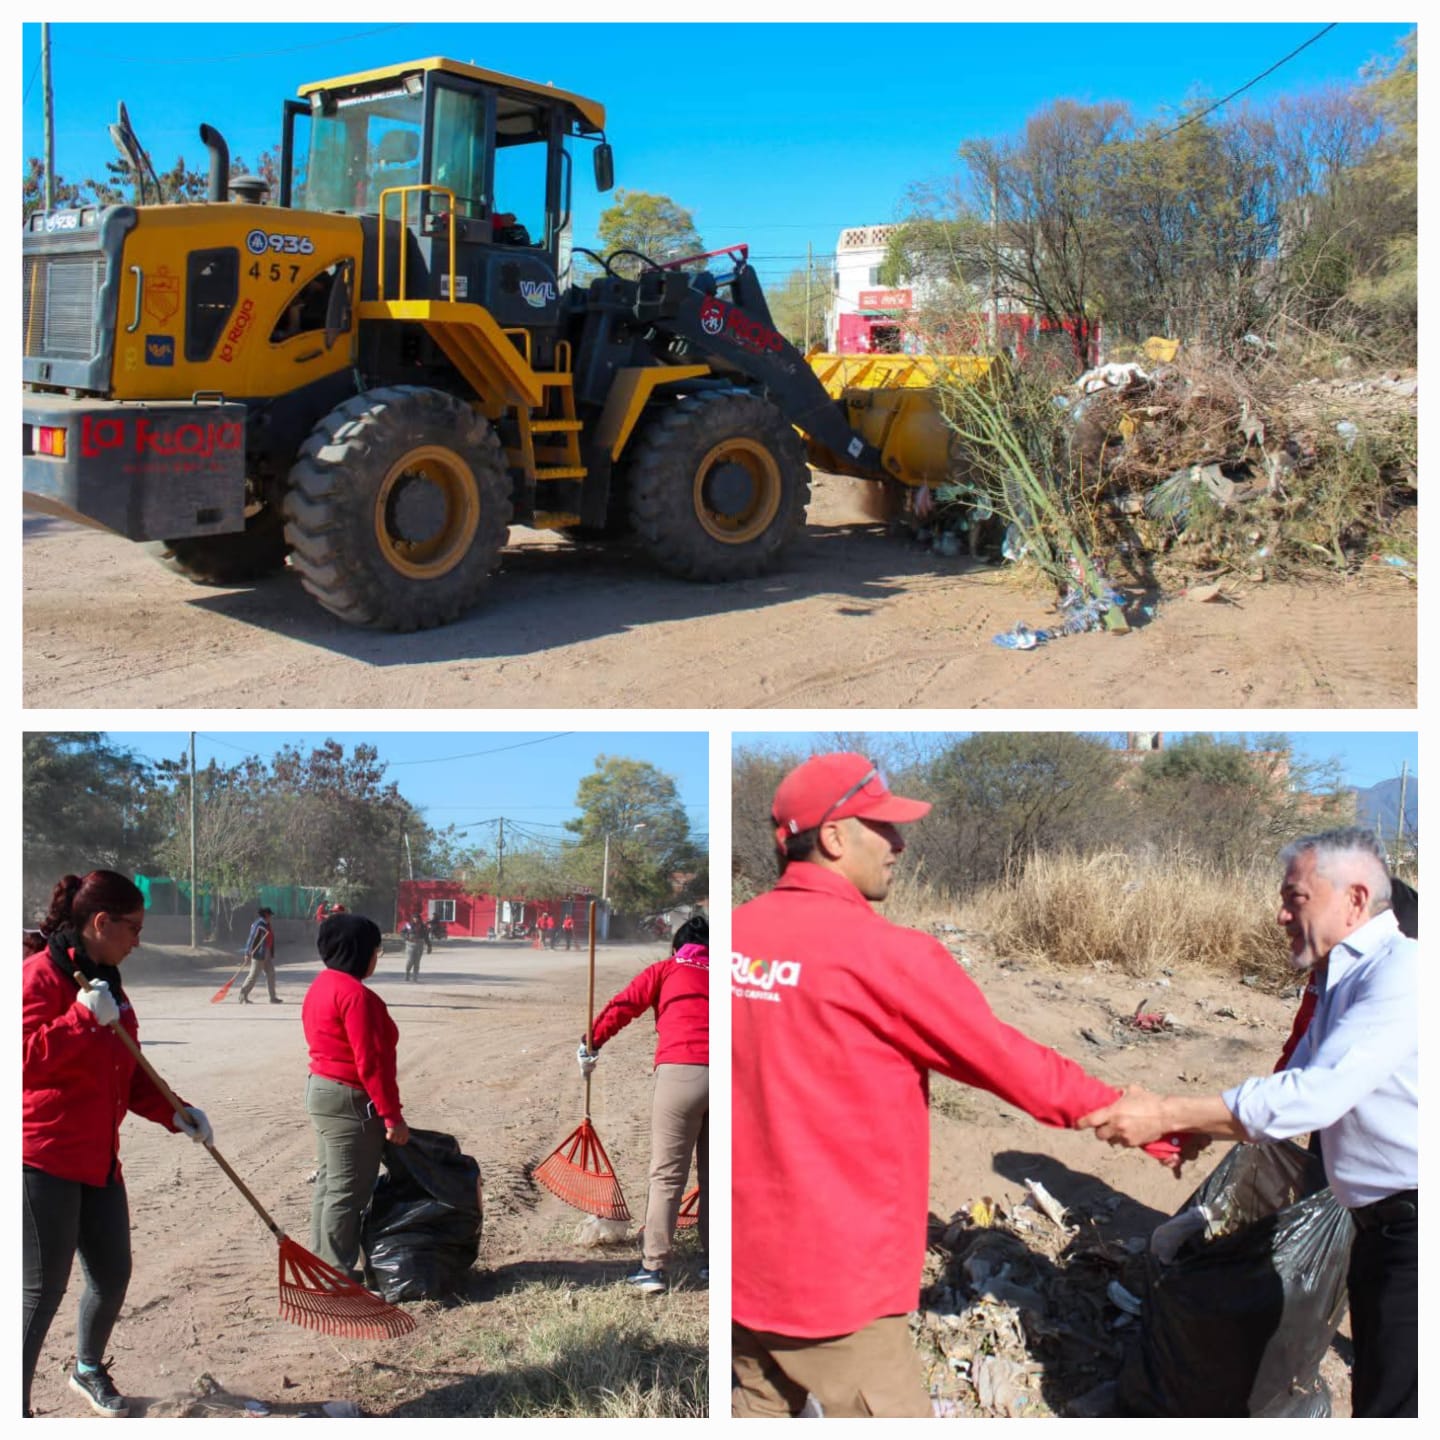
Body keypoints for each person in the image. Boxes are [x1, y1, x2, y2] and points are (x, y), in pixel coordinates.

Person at [730, 753, 1177, 1418]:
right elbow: (1007, 1061)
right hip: (834, 1284)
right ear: (832, 837)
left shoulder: (734, 939)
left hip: (742, 1263)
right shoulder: (885, 956)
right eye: (883, 827)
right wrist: (1138, 1115)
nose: (900, 844)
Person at [1078, 828, 1418, 1419]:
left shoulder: (1405, 973)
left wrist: (1164, 1112)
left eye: (1296, 898)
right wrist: (1200, 1128)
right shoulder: (1344, 978)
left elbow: (1314, 1095)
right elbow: (1295, 1077)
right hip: (1383, 1226)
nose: (1281, 914)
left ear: (1355, 899)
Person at [23, 871, 213, 1419]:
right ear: (100, 923)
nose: (137, 941)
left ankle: (86, 1368)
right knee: (40, 1293)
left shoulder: (107, 982)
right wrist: (77, 1020)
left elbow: (125, 1073)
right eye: (132, 928)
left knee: (111, 1275)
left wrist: (178, 1113)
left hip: (98, 1158)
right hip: (44, 1159)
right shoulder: (36, 979)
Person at [579, 914, 709, 1294]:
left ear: (677, 947)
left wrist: (591, 1042)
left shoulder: (666, 970)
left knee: (667, 1175)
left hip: (681, 1074)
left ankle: (654, 1268)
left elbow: (624, 1006)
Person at [301, 913, 410, 1282]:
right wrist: (391, 1116)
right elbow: (371, 1064)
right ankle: (335, 1275)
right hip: (350, 1099)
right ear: (359, 951)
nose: (376, 958)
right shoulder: (356, 996)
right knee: (349, 1191)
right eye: (376, 951)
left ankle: (323, 1263)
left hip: (322, 1089)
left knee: (331, 1183)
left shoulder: (321, 985)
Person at [238, 906, 280, 1004]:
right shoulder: (259, 925)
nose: (271, 917)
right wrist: (247, 952)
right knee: (253, 976)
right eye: (270, 915)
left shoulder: (266, 924)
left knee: (271, 974)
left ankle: (272, 997)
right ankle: (243, 995)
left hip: (267, 953)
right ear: (266, 915)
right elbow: (251, 939)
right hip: (259, 954)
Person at [402, 913, 427, 983]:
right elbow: (402, 933)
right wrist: (407, 937)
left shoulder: (423, 926)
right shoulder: (408, 925)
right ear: (412, 918)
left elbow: (426, 936)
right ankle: (407, 973)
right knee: (410, 960)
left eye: (417, 918)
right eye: (414, 918)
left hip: (420, 944)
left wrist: (429, 945)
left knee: (417, 962)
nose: (416, 919)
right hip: (410, 944)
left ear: (419, 919)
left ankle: (415, 977)